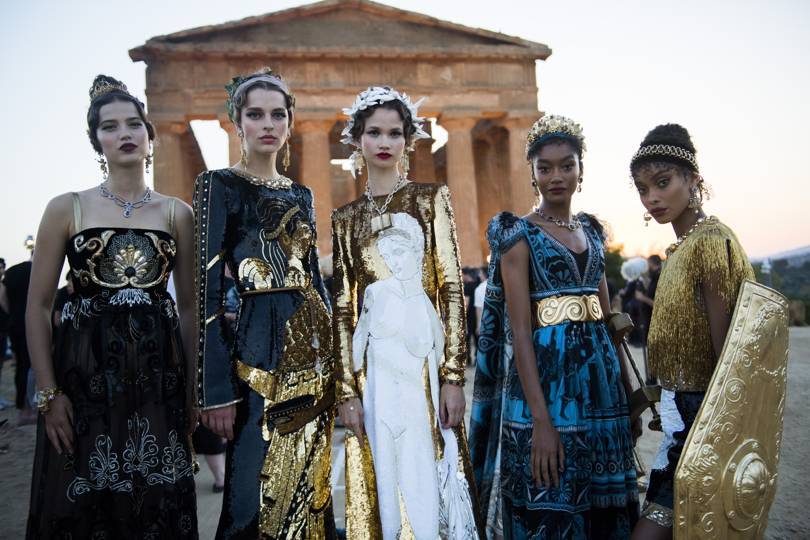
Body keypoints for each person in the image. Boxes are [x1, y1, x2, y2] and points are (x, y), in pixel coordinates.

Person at [25, 75, 198, 538]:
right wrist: (48, 394)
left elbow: (187, 310)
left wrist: (192, 390)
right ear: (95, 140)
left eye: (134, 124)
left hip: (159, 383)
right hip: (86, 382)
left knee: (157, 504)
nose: (124, 133)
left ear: (149, 135)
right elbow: (39, 306)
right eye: (109, 126)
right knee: (86, 505)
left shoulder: (177, 213)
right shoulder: (68, 208)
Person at [469, 115, 640, 539]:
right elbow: (520, 333)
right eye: (545, 167)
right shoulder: (517, 235)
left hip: (602, 388)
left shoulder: (593, 232)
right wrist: (542, 423)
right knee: (549, 501)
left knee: (605, 507)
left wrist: (628, 390)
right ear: (532, 173)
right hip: (545, 386)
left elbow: (607, 317)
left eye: (567, 165)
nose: (556, 176)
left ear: (582, 170)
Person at [332, 86, 481, 539]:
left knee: (427, 468)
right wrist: (346, 389)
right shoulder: (345, 218)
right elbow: (343, 308)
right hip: (374, 371)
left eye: (394, 133)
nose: (384, 142)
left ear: (407, 140)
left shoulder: (431, 199)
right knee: (382, 474)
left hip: (423, 368)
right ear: (356, 139)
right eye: (373, 132)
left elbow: (452, 289)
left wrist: (453, 376)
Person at [194, 67, 335, 539]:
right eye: (256, 114)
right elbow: (207, 294)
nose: (268, 124)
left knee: (309, 483)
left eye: (278, 114)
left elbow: (314, 280)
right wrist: (215, 390)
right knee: (250, 488)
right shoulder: (218, 185)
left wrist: (335, 362)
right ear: (238, 122)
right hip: (255, 343)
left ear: (290, 123)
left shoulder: (302, 193)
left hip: (310, 345)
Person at [628, 124, 754, 539]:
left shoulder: (711, 242)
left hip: (702, 424)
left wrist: (713, 438)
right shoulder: (681, 249)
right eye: (644, 188)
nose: (652, 198)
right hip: (680, 417)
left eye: (663, 183)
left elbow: (727, 357)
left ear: (693, 180)